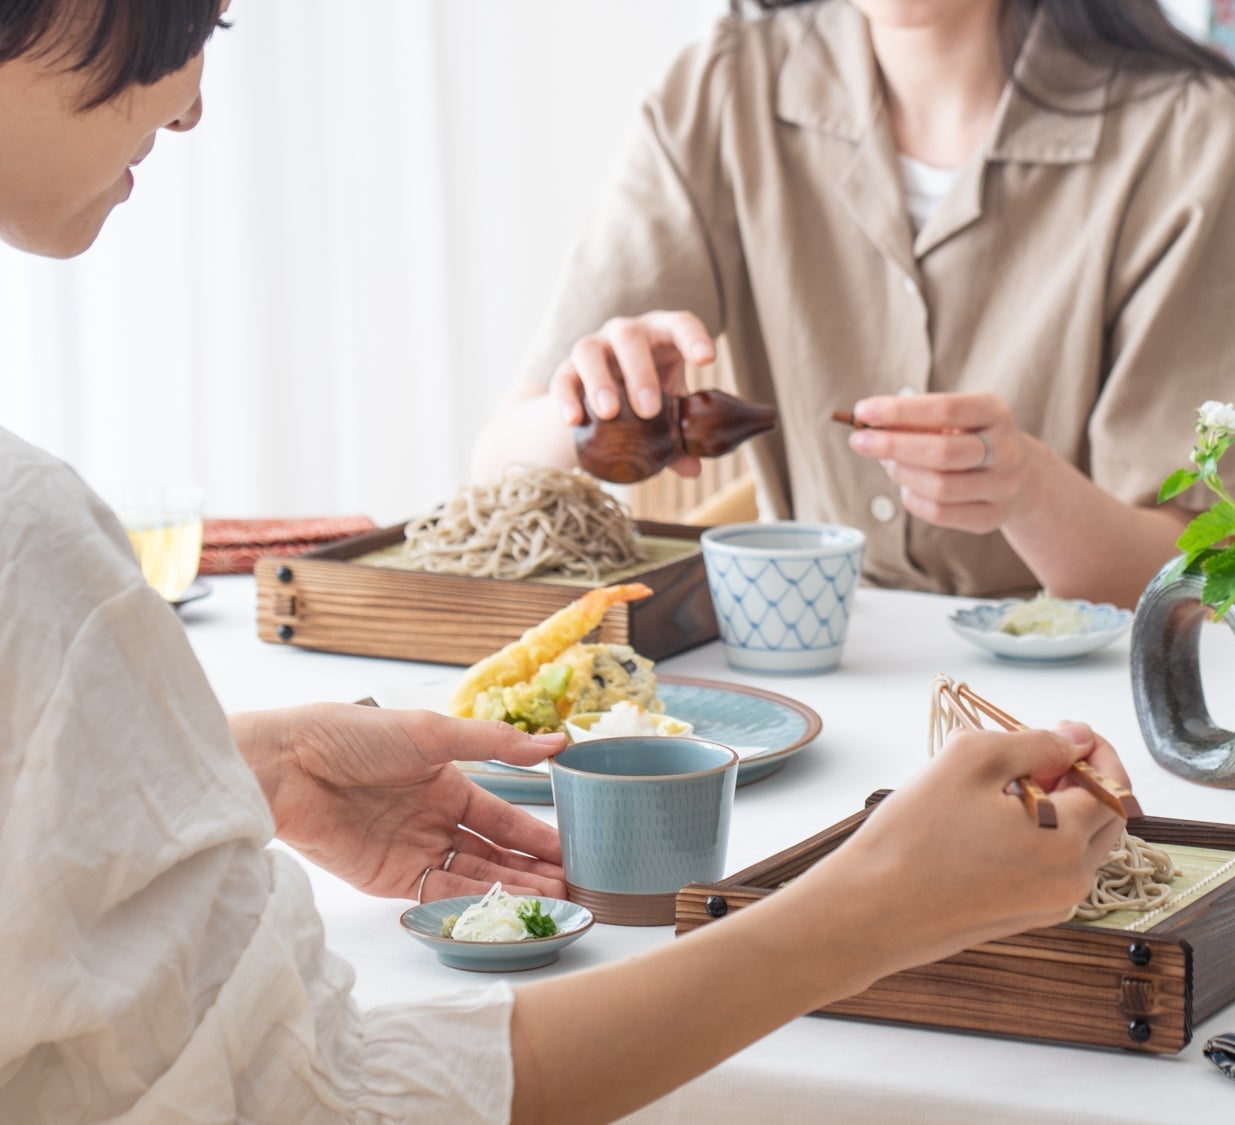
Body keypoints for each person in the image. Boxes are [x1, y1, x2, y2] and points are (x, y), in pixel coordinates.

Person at [0, 2, 1132, 1121]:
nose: (197, 102)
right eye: (188, 18)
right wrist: (871, 914)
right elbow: (319, 1102)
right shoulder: (33, 545)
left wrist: (244, 767)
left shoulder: (1177, 128)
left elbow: (1227, 553)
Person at [474, 0, 1235, 607]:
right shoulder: (724, 85)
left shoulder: (1194, 137)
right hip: (806, 695)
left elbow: (1222, 577)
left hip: (1088, 722)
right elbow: (498, 471)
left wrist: (1029, 493)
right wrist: (596, 406)